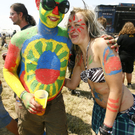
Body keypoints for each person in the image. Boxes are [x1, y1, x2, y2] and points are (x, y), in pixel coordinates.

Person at [64, 5, 135, 135]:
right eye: (69, 26)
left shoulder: (102, 45)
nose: (71, 30)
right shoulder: (80, 55)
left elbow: (116, 89)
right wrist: (54, 78)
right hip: (99, 110)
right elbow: (72, 84)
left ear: (89, 26)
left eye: (76, 24)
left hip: (122, 113)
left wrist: (107, 128)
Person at [3, 0, 71, 134]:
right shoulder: (20, 38)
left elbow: (90, 43)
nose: (56, 12)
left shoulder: (69, 36)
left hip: (56, 104)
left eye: (62, 6)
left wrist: (106, 44)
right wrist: (24, 96)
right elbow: (8, 70)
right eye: (49, 4)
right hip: (27, 105)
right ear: (38, 4)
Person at [117, 22, 135, 88]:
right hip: (131, 56)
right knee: (129, 71)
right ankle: (129, 84)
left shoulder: (122, 36)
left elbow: (117, 44)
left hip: (122, 56)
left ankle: (122, 85)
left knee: (122, 72)